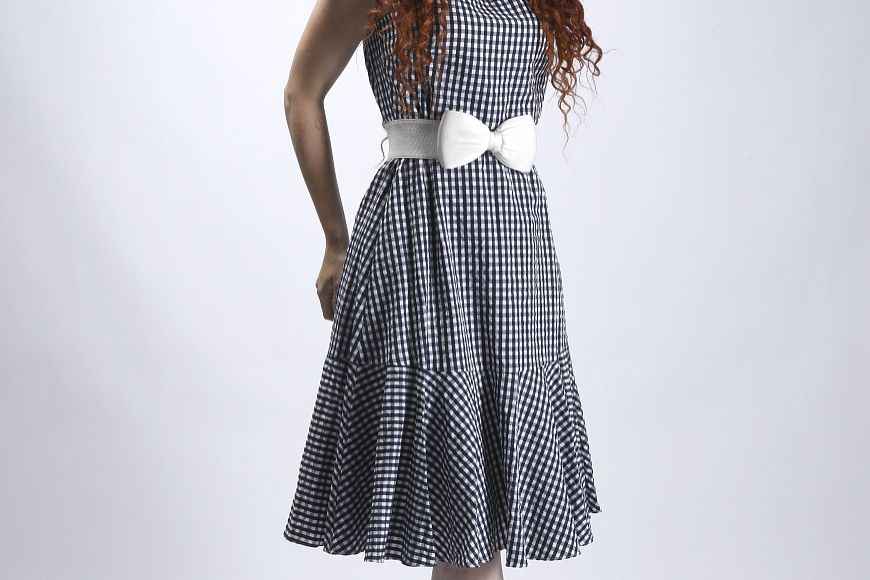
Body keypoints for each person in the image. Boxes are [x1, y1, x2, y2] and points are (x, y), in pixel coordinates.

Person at [281, 1, 603, 578]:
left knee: (483, 515)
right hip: (419, 231)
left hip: (514, 244)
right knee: (461, 499)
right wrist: (334, 239)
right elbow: (301, 92)